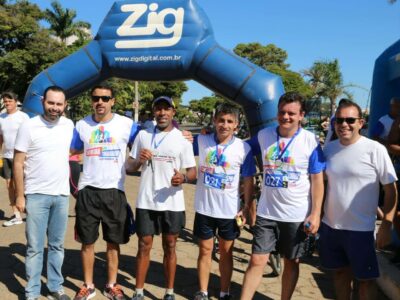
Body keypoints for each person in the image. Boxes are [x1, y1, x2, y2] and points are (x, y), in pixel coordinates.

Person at [241, 92, 325, 300]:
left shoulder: (310, 141)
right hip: (266, 212)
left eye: (291, 113)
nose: (285, 117)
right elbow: (238, 148)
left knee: (291, 261)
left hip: (296, 215)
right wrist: (203, 136)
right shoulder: (264, 135)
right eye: (282, 112)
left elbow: (317, 181)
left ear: (301, 115)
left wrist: (315, 214)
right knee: (257, 260)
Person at [320, 100, 398, 300]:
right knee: (339, 274)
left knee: (366, 280)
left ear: (361, 123)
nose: (344, 124)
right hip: (331, 226)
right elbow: (319, 184)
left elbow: (390, 190)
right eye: (339, 120)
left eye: (350, 120)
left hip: (361, 230)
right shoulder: (328, 150)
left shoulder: (375, 149)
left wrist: (387, 223)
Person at [71, 84, 140, 300]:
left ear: (113, 101)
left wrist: (183, 134)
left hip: (114, 191)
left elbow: (151, 138)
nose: (99, 102)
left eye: (105, 98)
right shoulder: (81, 125)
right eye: (95, 98)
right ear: (91, 100)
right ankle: (88, 285)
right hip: (88, 191)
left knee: (113, 242)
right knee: (87, 242)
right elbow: (71, 151)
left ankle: (111, 285)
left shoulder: (127, 124)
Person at [126, 96, 196, 300]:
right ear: (154, 112)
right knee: (143, 245)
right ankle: (138, 291)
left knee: (170, 245)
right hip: (146, 201)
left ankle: (169, 292)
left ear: (174, 112)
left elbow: (193, 171)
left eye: (167, 109)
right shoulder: (143, 135)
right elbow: (129, 167)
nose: (162, 113)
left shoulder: (183, 139)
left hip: (172, 202)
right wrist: (139, 161)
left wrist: (182, 177)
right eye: (158, 109)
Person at [13, 86, 74, 300]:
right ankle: (32, 291)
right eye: (51, 103)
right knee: (35, 247)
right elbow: (18, 163)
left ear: (65, 105)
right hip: (36, 195)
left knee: (57, 246)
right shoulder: (29, 126)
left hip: (61, 195)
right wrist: (20, 196)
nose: (54, 108)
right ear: (43, 103)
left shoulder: (69, 125)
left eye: (59, 104)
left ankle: (55, 286)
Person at [192, 103, 255, 300]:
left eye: (229, 121)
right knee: (205, 250)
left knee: (227, 253)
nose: (224, 125)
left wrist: (246, 208)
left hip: (229, 212)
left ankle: (224, 292)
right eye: (221, 120)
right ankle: (202, 291)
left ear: (236, 125)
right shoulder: (201, 141)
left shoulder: (243, 148)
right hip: (204, 208)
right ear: (214, 121)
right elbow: (178, 142)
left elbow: (248, 180)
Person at [0, 91, 29, 226]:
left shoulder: (23, 117)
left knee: (23, 185)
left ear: (16, 101)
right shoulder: (1, 117)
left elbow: (30, 137)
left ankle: (30, 211)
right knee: (9, 185)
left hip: (22, 156)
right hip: (6, 157)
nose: (7, 104)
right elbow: (0, 138)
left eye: (10, 101)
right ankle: (16, 215)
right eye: (5, 101)